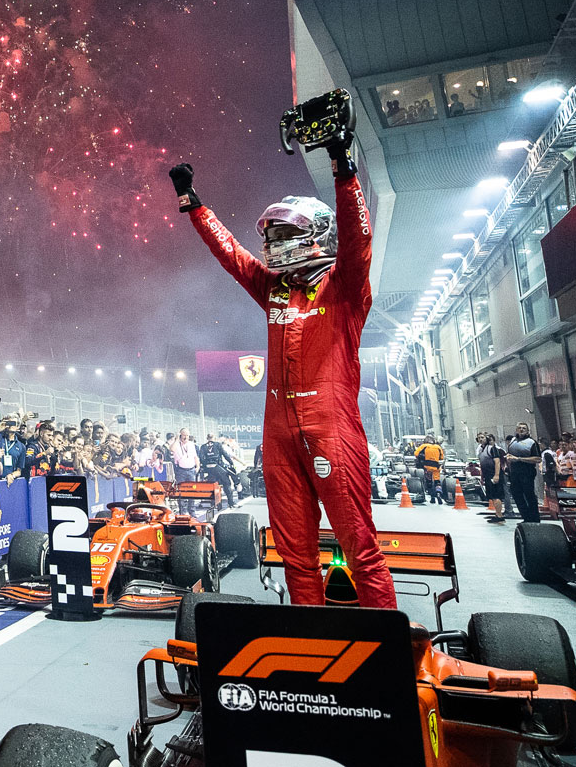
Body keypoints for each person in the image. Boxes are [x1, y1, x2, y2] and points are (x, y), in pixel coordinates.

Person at [169, 127, 398, 609]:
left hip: (333, 431)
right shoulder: (273, 289)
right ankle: (313, 642)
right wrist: (195, 206)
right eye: (272, 235)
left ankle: (385, 648)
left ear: (316, 236)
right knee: (295, 555)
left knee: (361, 550)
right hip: (276, 438)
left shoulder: (346, 286)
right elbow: (231, 254)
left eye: (285, 233)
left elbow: (358, 236)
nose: (274, 243)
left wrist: (342, 162)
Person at [503, 422, 542, 523]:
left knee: (529, 495)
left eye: (524, 428)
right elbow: (510, 455)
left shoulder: (531, 442)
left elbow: (537, 459)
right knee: (517, 495)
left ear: (527, 430)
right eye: (519, 428)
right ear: (516, 430)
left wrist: (519, 459)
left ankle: (535, 519)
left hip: (527, 473)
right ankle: (526, 517)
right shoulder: (512, 441)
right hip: (515, 473)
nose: (521, 430)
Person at [197, 432, 238, 507]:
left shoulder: (203, 446)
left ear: (207, 438)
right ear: (214, 438)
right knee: (227, 483)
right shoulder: (218, 445)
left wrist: (205, 466)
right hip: (218, 467)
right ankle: (231, 502)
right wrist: (231, 463)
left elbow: (201, 458)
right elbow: (225, 455)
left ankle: (214, 503)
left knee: (212, 485)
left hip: (208, 469)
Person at [477, 432, 507, 524]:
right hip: (487, 476)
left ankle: (500, 516)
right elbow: (482, 465)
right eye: (479, 438)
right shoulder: (481, 450)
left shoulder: (492, 448)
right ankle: (497, 514)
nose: (481, 439)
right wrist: (482, 477)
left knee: (496, 495)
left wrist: (496, 475)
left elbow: (497, 462)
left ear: (486, 439)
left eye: (482, 437)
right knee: (492, 496)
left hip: (493, 475)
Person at [416, 435, 445, 504]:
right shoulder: (438, 447)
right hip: (436, 467)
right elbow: (441, 457)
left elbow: (416, 453)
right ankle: (438, 493)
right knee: (437, 481)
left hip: (427, 467)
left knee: (429, 481)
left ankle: (432, 497)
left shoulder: (424, 446)